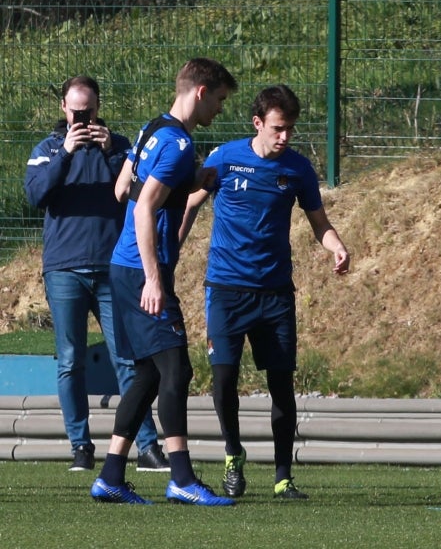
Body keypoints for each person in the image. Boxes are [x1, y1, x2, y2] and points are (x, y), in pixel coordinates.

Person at [179, 84, 351, 500]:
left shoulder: (298, 170)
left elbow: (319, 224)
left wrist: (338, 246)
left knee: (281, 386)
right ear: (257, 123)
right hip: (225, 289)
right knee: (223, 380)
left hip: (275, 294)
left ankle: (282, 476)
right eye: (278, 128)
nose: (285, 136)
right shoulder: (225, 158)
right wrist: (167, 256)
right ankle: (233, 455)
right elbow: (189, 205)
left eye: (290, 128)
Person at [89, 57, 238, 506]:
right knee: (177, 369)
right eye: (219, 99)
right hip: (141, 273)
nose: (219, 109)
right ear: (200, 92)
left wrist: (193, 179)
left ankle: (111, 476)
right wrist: (154, 279)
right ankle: (182, 479)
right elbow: (142, 208)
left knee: (149, 375)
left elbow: (122, 190)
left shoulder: (153, 128)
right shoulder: (176, 144)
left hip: (123, 267)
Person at [24, 76, 168, 473]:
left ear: (98, 106)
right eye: (75, 111)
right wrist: (67, 153)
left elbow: (138, 193)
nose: (82, 117)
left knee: (127, 359)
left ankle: (147, 446)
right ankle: (81, 447)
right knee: (70, 360)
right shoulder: (48, 149)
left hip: (111, 267)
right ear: (64, 109)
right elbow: (35, 195)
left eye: (88, 110)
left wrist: (109, 155)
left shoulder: (120, 147)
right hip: (64, 269)